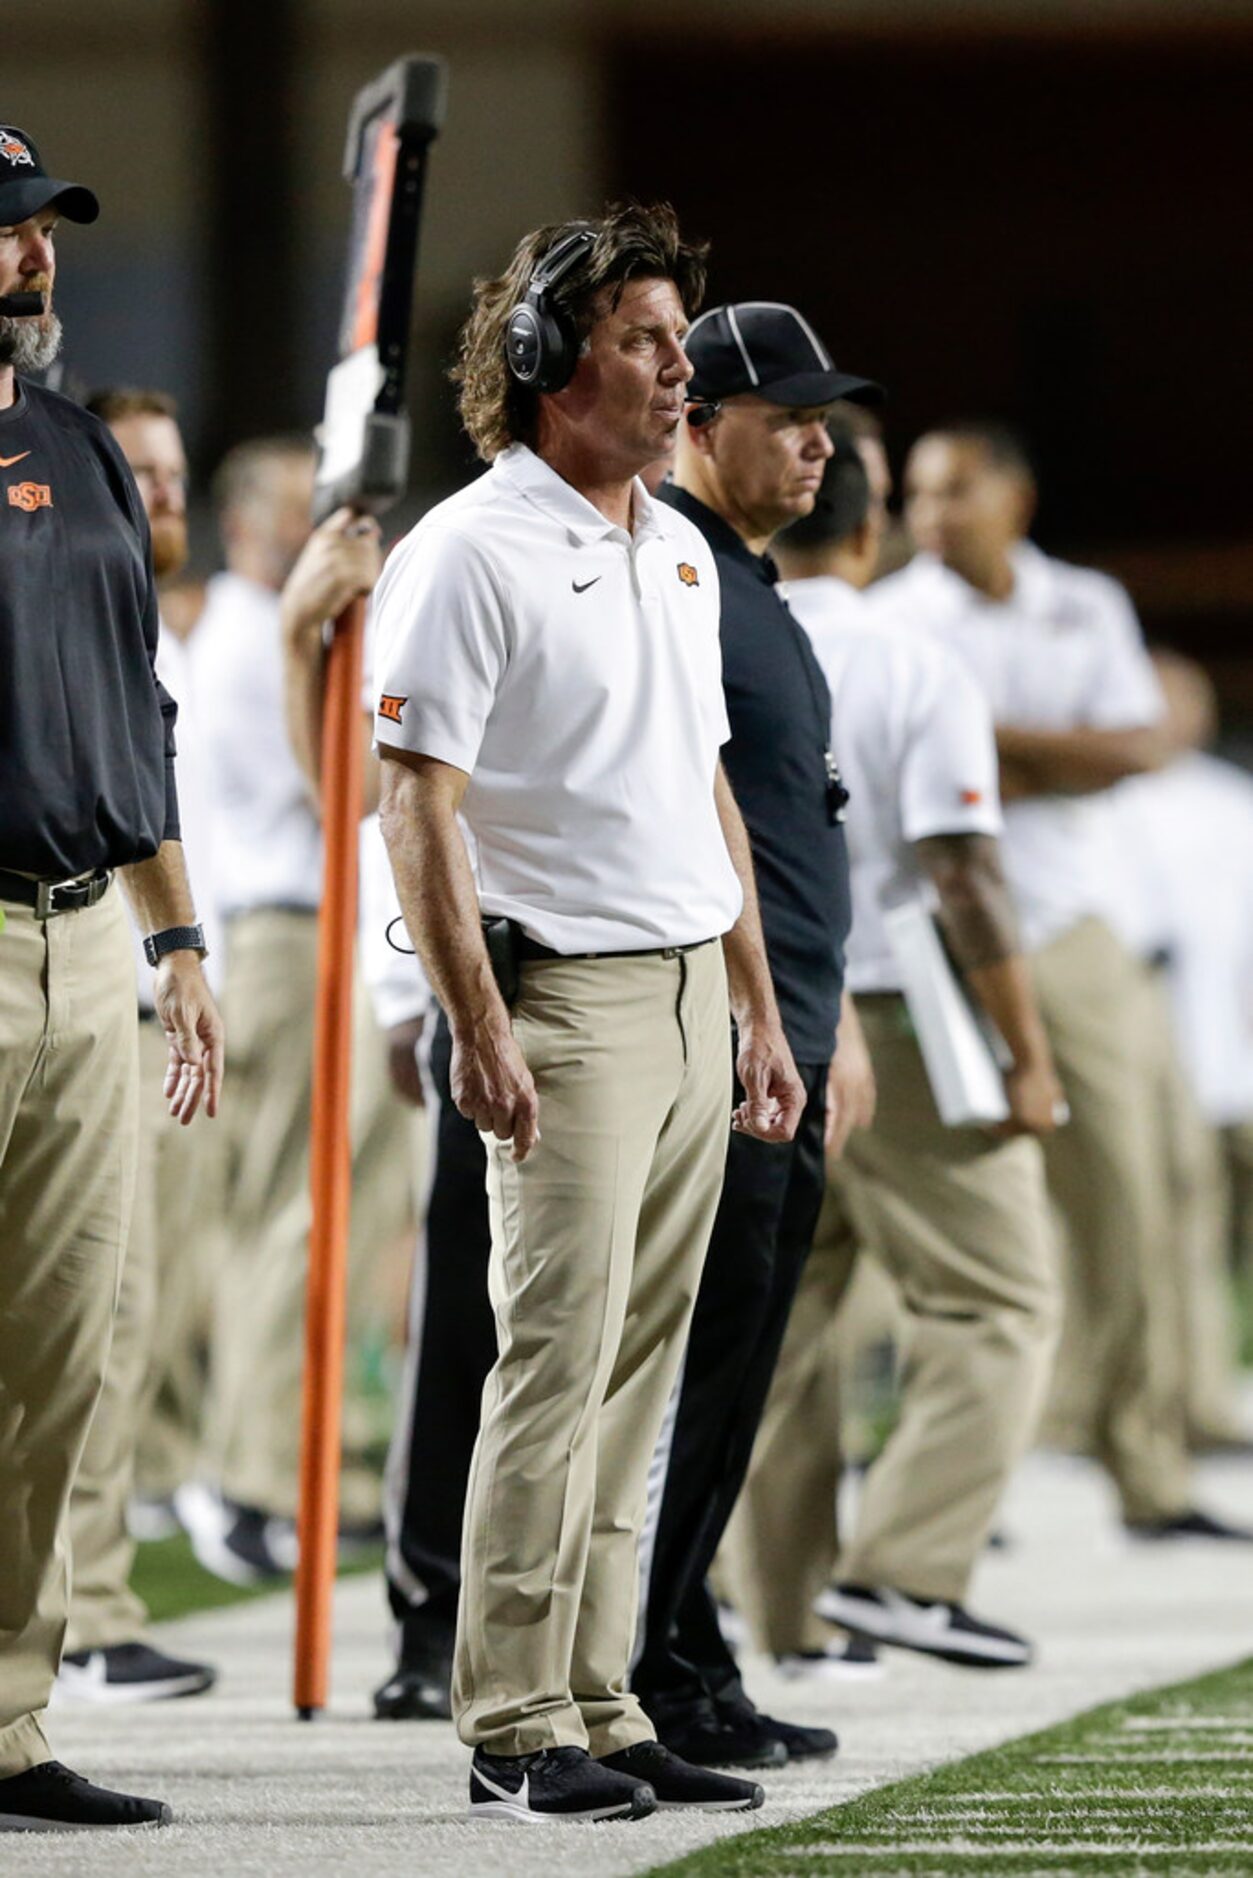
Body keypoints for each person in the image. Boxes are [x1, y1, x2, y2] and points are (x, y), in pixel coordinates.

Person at [373, 203, 798, 1822]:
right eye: (640, 333)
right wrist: (475, 1021)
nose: (676, 363)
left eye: (677, 335)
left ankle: (604, 1693)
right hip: (564, 997)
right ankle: (507, 1711)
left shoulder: (677, 545)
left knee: (643, 1367)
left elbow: (704, 787)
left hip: (691, 987)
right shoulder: (466, 550)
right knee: (552, 1362)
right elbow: (417, 803)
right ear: (551, 362)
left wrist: (753, 1005)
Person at [868, 423, 1249, 1541]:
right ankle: (950, 1483)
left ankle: (1145, 1464)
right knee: (936, 1210)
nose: (931, 513)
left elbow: (1136, 753)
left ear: (1014, 499)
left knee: (1131, 1192)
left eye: (954, 490)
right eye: (919, 494)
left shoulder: (1081, 602)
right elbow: (902, 780)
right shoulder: (888, 617)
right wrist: (1046, 755)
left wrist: (980, 746)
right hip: (926, 930)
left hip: (1069, 928)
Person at [726, 437, 1062, 1672]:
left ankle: (786, 1618)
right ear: (870, 537)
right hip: (899, 1013)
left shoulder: (725, 632)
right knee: (997, 1300)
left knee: (790, 1321)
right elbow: (961, 873)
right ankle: (906, 1571)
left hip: (762, 1011)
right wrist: (1024, 1050)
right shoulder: (909, 659)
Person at [0, 125, 222, 1831]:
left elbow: (131, 715)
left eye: (44, 230)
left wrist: (175, 931)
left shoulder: (75, 443)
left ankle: (4, 1721)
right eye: (7, 233)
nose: (33, 258)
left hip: (86, 941)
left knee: (65, 1351)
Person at [629, 303, 879, 1770]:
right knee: (701, 1364)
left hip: (783, 1029)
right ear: (700, 421)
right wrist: (754, 1019)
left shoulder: (743, 583)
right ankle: (647, 1658)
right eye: (786, 412)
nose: (817, 440)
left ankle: (683, 1645)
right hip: (732, 1040)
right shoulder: (677, 573)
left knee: (738, 1369)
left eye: (821, 415)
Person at [181, 440, 416, 1580]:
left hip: (320, 927)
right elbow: (340, 785)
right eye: (300, 510)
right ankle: (250, 1477)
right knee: (293, 1210)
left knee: (344, 1212)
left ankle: (311, 1458)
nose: (330, 528)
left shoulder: (267, 633)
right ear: (243, 524)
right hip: (286, 934)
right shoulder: (237, 640)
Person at [55, 389, 219, 1704]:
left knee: (105, 1312)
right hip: (45, 946)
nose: (158, 496)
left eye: (170, 476)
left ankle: (77, 1618)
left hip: (110, 958)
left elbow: (143, 769)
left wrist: (177, 948)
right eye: (140, 474)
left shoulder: (176, 621)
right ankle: (86, 1609)